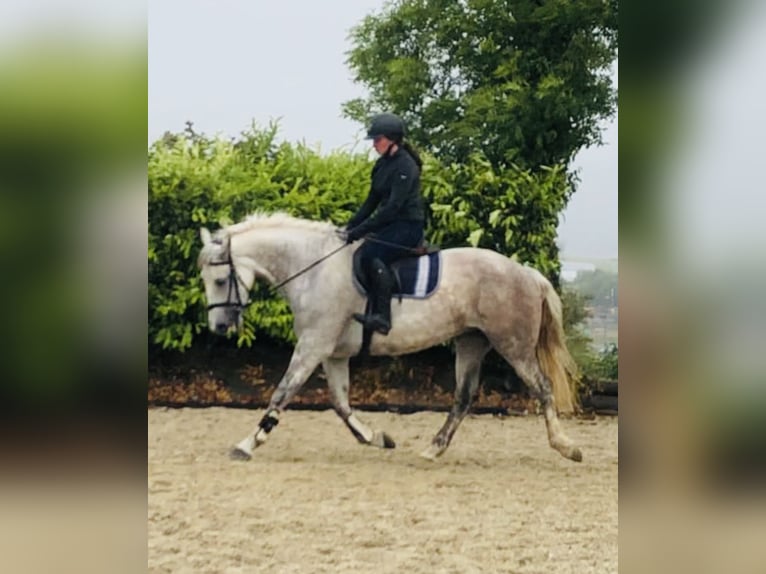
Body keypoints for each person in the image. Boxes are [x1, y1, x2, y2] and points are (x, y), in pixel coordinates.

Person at [343, 112, 426, 335]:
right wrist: (349, 227)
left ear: (392, 139)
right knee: (359, 250)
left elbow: (392, 209)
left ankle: (382, 317)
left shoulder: (406, 166)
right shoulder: (381, 166)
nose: (374, 145)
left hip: (408, 225)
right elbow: (371, 202)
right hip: (391, 224)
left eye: (377, 140)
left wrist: (362, 230)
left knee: (372, 254)